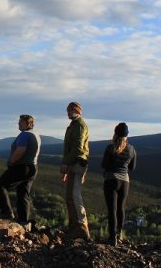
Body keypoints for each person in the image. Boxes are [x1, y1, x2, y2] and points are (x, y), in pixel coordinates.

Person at [0, 114, 41, 226]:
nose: (18, 124)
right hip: (33, 168)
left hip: (21, 167)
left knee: (0, 185)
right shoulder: (36, 135)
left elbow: (20, 150)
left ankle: (7, 212)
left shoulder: (24, 135)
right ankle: (23, 221)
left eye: (21, 122)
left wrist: (12, 162)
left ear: (28, 123)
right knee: (23, 193)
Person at [101, 122, 137, 246]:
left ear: (115, 133)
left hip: (111, 179)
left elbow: (104, 165)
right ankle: (119, 235)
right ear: (127, 135)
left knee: (112, 210)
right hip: (125, 181)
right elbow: (132, 167)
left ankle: (112, 237)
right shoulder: (132, 149)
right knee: (121, 209)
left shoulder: (110, 148)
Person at [60, 102, 90, 239]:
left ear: (78, 110)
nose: (68, 112)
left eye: (71, 110)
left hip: (77, 163)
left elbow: (78, 148)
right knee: (69, 196)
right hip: (72, 163)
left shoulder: (80, 125)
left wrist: (66, 163)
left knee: (75, 195)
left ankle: (82, 227)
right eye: (67, 110)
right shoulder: (72, 125)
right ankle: (73, 227)